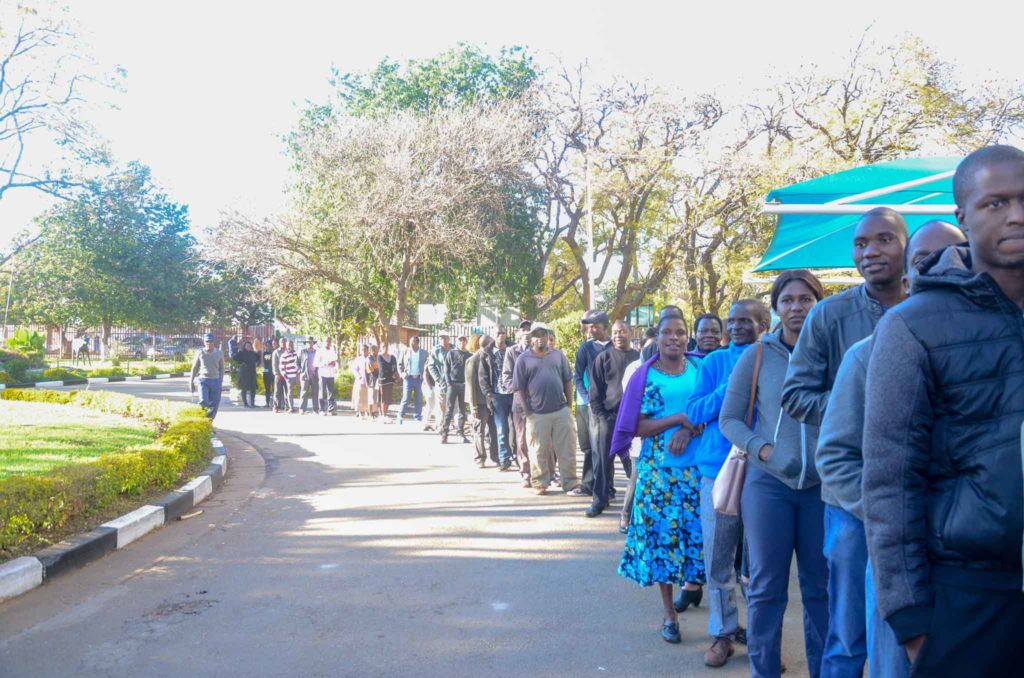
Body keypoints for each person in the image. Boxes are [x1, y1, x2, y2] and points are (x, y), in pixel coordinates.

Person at [863, 145, 1024, 677]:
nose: (1016, 215)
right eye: (995, 203)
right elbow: (889, 479)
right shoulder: (914, 325)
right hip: (969, 593)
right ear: (963, 217)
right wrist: (910, 618)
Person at [818, 220, 966, 678]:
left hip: (971, 555)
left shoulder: (998, 345)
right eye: (927, 263)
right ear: (907, 280)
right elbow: (836, 455)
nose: (943, 271)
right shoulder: (866, 354)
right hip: (892, 554)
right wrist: (891, 515)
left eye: (955, 259)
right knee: (879, 656)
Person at [782, 207, 908, 678]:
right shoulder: (830, 316)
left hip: (920, 494)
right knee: (848, 632)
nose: (870, 252)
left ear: (906, 246)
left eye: (883, 240)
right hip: (848, 499)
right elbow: (795, 396)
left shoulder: (933, 309)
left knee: (909, 629)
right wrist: (856, 404)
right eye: (860, 244)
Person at [720, 271, 829, 678]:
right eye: (788, 300)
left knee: (822, 589)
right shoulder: (758, 355)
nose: (797, 307)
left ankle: (824, 670)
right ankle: (764, 670)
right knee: (766, 589)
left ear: (819, 302)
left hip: (823, 488)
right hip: (769, 486)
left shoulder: (834, 351)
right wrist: (761, 448)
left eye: (805, 299)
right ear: (776, 307)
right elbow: (729, 418)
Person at [687, 298, 771, 668]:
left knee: (760, 563)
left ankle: (762, 637)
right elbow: (694, 411)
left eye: (745, 321)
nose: (736, 327)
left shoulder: (773, 359)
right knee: (718, 557)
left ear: (762, 324)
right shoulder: (713, 362)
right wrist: (730, 388)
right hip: (716, 472)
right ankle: (723, 633)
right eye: (731, 321)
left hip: (764, 474)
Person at [615, 314, 705, 645]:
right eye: (667, 331)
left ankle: (697, 594)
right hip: (659, 476)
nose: (674, 338)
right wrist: (678, 419)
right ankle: (669, 614)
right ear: (658, 338)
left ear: (687, 337)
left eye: (680, 332)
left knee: (700, 542)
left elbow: (713, 410)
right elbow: (636, 426)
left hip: (698, 472)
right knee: (664, 546)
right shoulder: (644, 376)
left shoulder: (699, 369)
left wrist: (689, 426)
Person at [511, 322, 581, 496]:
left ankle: (570, 482)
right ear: (531, 338)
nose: (540, 338)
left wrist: (568, 405)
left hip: (560, 411)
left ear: (548, 336)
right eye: (536, 335)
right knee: (537, 450)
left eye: (543, 334)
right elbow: (518, 387)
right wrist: (527, 412)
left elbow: (567, 380)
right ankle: (540, 483)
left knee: (567, 449)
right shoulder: (523, 359)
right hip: (537, 414)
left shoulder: (558, 356)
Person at [586, 319, 639, 517]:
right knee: (602, 461)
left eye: (622, 332)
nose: (618, 336)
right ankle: (599, 500)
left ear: (630, 333)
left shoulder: (638, 358)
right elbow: (595, 390)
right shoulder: (603, 357)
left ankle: (635, 504)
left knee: (632, 464)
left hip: (633, 420)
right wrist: (601, 414)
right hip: (608, 417)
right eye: (616, 332)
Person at [573, 310, 611, 498]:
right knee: (590, 447)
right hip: (586, 405)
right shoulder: (585, 349)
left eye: (594, 326)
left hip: (610, 405)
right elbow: (577, 377)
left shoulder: (615, 346)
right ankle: (589, 484)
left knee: (607, 446)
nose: (590, 329)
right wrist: (588, 399)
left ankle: (607, 487)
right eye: (589, 326)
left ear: (605, 327)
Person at [503, 320, 534, 487]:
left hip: (538, 402)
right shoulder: (511, 352)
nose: (527, 335)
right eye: (524, 332)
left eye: (530, 332)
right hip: (520, 403)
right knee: (521, 439)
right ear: (519, 335)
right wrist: (518, 391)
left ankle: (543, 472)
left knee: (539, 438)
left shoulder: (539, 352)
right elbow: (506, 376)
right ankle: (526, 472)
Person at [479, 332, 513, 470]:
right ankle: (504, 458)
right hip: (497, 396)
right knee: (501, 428)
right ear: (494, 335)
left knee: (516, 429)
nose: (501, 336)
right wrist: (488, 393)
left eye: (503, 333)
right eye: (498, 333)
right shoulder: (487, 353)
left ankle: (516, 456)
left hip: (513, 394)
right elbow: (482, 376)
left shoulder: (513, 349)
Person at [466, 335, 498, 467]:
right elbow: (470, 384)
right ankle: (480, 458)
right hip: (479, 402)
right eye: (492, 343)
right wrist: (473, 406)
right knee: (479, 430)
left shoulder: (493, 357)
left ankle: (495, 457)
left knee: (494, 431)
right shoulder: (473, 360)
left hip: (492, 402)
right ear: (486, 344)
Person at [440, 336, 471, 444]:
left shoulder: (469, 355)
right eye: (460, 340)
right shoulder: (451, 353)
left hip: (464, 385)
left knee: (463, 410)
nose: (462, 342)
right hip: (452, 384)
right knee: (449, 410)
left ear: (466, 342)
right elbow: (446, 369)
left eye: (464, 340)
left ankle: (461, 432)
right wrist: (449, 383)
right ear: (457, 342)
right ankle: (445, 433)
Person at [190, 333, 225, 419]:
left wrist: (220, 381)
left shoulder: (219, 353)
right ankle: (203, 420)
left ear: (214, 342)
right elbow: (195, 367)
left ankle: (209, 424)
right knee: (204, 402)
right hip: (203, 381)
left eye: (211, 341)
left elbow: (222, 368)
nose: (209, 343)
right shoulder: (200, 352)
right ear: (204, 342)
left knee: (214, 405)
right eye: (207, 341)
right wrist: (191, 381)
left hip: (216, 381)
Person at [398, 336, 428, 425]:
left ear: (417, 343)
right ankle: (400, 415)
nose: (411, 343)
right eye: (410, 342)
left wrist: (425, 376)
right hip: (408, 378)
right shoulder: (405, 351)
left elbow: (427, 365)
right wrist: (402, 374)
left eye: (413, 342)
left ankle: (417, 416)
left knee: (418, 399)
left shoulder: (424, 353)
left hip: (419, 379)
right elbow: (399, 364)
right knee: (406, 398)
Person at [427, 334, 451, 431]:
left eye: (445, 338)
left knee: (455, 406)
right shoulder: (436, 350)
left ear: (449, 339)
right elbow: (431, 366)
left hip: (455, 382)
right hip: (442, 383)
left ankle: (458, 427)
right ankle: (442, 426)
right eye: (441, 338)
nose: (443, 340)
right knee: (442, 406)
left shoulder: (454, 349)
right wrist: (438, 379)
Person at [232, 339, 261, 408]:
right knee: (244, 388)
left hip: (252, 372)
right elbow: (234, 357)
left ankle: (252, 404)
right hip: (244, 373)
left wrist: (257, 351)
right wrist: (241, 362)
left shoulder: (253, 353)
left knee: (253, 388)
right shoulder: (241, 352)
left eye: (249, 346)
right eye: (247, 345)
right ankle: (245, 404)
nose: (248, 347)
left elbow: (258, 358)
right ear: (244, 346)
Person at [316, 337, 339, 416]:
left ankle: (331, 410)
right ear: (324, 342)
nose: (328, 343)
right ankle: (322, 410)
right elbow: (315, 363)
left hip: (331, 374)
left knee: (331, 392)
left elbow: (335, 361)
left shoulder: (332, 350)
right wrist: (324, 364)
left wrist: (333, 363)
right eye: (327, 341)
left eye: (330, 341)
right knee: (322, 392)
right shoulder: (319, 351)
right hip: (322, 374)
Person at [299, 336, 320, 415]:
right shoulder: (302, 352)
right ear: (306, 343)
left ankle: (316, 409)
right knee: (304, 392)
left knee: (315, 392)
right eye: (308, 342)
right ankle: (302, 409)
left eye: (311, 342)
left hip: (315, 375)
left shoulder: (316, 352)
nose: (309, 344)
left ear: (313, 343)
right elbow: (297, 362)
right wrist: (300, 371)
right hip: (305, 375)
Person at [276, 339, 299, 413]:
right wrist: (286, 377)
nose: (290, 346)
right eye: (288, 345)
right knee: (290, 393)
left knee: (300, 391)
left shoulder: (297, 354)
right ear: (286, 346)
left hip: (297, 376)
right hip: (289, 377)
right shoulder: (284, 355)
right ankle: (291, 407)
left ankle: (301, 408)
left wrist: (298, 375)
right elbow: (281, 367)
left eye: (291, 345)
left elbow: (300, 364)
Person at [378, 342, 398, 422]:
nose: (385, 348)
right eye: (383, 346)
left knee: (388, 398)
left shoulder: (393, 357)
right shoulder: (379, 357)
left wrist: (397, 378)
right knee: (383, 398)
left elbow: (395, 369)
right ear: (381, 348)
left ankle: (385, 415)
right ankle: (383, 415)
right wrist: (390, 371)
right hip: (383, 380)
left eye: (386, 346)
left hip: (390, 380)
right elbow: (382, 368)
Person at [352, 345, 370, 418]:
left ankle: (368, 412)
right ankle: (359, 411)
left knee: (368, 397)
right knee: (359, 397)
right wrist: (358, 376)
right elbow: (354, 370)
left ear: (368, 350)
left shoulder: (370, 358)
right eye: (362, 350)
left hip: (369, 381)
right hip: (360, 380)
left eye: (365, 349)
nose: (364, 351)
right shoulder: (358, 359)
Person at [366, 344, 382, 419]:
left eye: (377, 349)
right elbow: (372, 368)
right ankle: (370, 414)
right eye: (376, 349)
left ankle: (376, 412)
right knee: (371, 398)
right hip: (372, 380)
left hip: (379, 379)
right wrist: (377, 366)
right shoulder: (369, 358)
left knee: (378, 397)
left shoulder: (378, 357)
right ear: (372, 350)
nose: (378, 351)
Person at [261, 338, 277, 408]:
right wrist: (265, 371)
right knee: (267, 389)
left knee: (274, 389)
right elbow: (263, 364)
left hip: (273, 373)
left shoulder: (274, 353)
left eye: (269, 345)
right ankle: (267, 403)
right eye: (266, 345)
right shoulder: (264, 353)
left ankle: (274, 404)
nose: (268, 346)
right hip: (266, 373)